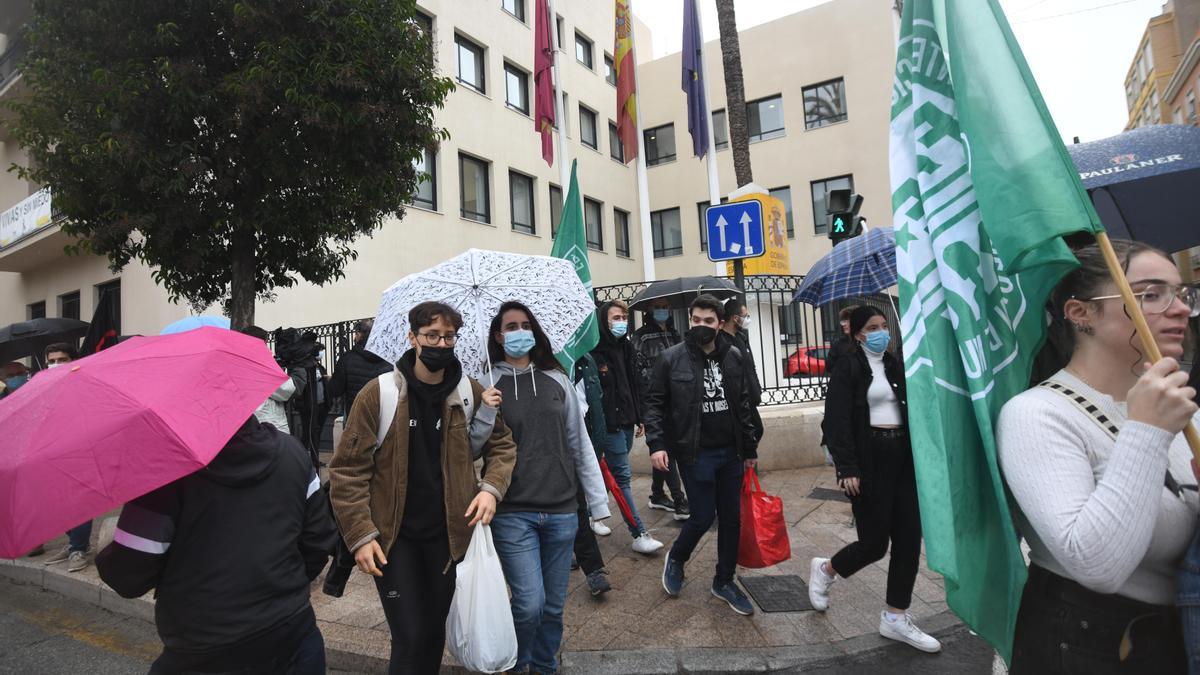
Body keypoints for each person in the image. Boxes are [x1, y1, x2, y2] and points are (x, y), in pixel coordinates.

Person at [997, 242, 1198, 673]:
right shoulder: (1037, 415)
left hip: (1174, 641)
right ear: (1079, 313)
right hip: (1090, 646)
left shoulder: (1181, 409)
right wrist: (1145, 433)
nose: (1180, 309)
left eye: (1180, 293)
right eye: (1150, 293)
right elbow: (1097, 564)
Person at [330, 301, 517, 675]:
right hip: (394, 540)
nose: (441, 344)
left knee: (433, 635)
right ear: (412, 337)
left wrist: (490, 488)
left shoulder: (469, 391)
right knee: (410, 636)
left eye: (449, 337)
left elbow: (502, 445)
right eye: (432, 335)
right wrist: (361, 534)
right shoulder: (379, 393)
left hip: (449, 539)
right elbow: (347, 471)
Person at [96, 415, 338, 674]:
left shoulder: (165, 475)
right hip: (293, 636)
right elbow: (319, 540)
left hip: (204, 646)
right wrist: (282, 583)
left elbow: (128, 576)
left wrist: (110, 546)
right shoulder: (293, 452)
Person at [487, 301, 611, 674]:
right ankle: (518, 662)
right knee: (529, 603)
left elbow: (578, 442)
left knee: (554, 607)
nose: (519, 331)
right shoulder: (487, 382)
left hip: (561, 510)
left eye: (525, 325)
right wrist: (483, 409)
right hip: (512, 511)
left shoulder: (557, 378)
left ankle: (544, 667)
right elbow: (474, 445)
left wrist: (597, 500)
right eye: (511, 326)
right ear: (498, 335)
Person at [808, 306, 941, 653]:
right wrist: (846, 468)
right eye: (872, 327)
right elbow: (836, 420)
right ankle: (827, 568)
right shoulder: (848, 367)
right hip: (869, 460)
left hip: (903, 459)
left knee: (910, 540)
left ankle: (896, 617)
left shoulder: (897, 365)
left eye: (884, 325)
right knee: (874, 545)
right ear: (857, 334)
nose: (881, 332)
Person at [647, 295, 759, 616]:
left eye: (708, 321)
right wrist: (657, 445)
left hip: (731, 453)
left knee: (731, 519)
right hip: (694, 452)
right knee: (701, 516)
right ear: (690, 320)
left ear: (720, 324)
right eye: (696, 320)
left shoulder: (734, 356)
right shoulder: (671, 359)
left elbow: (744, 406)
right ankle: (678, 558)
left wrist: (749, 450)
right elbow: (654, 405)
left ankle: (723, 580)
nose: (701, 326)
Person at [591, 299, 664, 554]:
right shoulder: (593, 353)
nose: (621, 322)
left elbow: (635, 385)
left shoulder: (628, 348)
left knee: (608, 472)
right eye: (615, 318)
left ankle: (593, 513)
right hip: (608, 426)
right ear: (603, 320)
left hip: (627, 422)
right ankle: (639, 532)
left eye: (624, 317)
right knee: (622, 477)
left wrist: (640, 416)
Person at [631, 298, 689, 520]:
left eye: (666, 307)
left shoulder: (675, 334)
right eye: (658, 307)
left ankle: (656, 495)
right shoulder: (641, 336)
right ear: (649, 310)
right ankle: (679, 499)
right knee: (668, 449)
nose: (662, 311)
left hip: (676, 399)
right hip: (655, 400)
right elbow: (638, 369)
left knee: (662, 448)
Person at [39, 342, 95, 573]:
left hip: (81, 448)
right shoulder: (42, 384)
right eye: (51, 361)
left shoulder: (86, 381)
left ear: (74, 360)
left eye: (61, 360)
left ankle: (78, 549)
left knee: (80, 500)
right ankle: (74, 542)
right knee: (58, 501)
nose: (55, 365)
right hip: (52, 450)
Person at [571, 351, 613, 596]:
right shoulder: (496, 376)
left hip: (567, 453)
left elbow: (590, 405)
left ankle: (594, 570)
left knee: (577, 511)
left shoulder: (574, 366)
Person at [327, 319, 392, 426]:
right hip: (382, 416)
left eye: (355, 333)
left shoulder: (347, 359)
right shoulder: (388, 358)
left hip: (355, 417)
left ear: (359, 334)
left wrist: (330, 381)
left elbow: (335, 390)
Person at [240, 326, 300, 431]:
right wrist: (298, 368)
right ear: (261, 342)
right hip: (269, 427)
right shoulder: (261, 364)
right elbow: (286, 390)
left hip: (247, 426)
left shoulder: (236, 362)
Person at [720, 297, 764, 441]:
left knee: (757, 430)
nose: (747, 319)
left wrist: (756, 388)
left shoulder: (741, 337)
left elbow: (750, 365)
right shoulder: (722, 341)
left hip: (750, 396)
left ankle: (748, 460)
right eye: (745, 316)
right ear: (735, 318)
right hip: (737, 398)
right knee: (748, 433)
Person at [823, 305, 859, 378]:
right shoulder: (838, 344)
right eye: (843, 321)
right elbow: (829, 366)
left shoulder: (868, 341)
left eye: (848, 320)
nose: (844, 324)